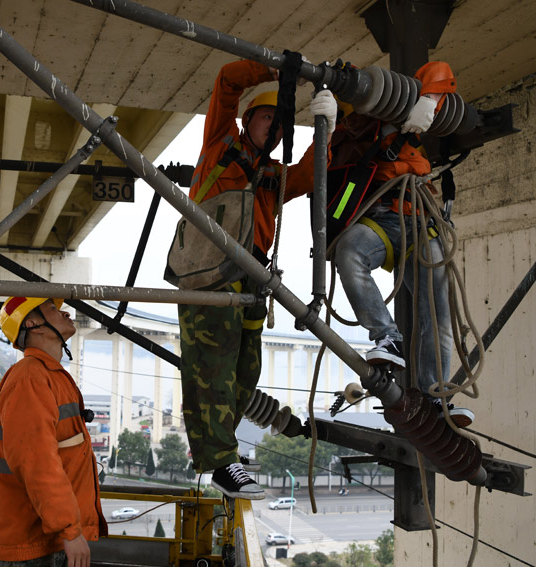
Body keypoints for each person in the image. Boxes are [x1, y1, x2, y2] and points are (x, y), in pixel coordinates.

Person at [178, 59, 337, 499]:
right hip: (209, 276)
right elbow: (227, 80)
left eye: (283, 122)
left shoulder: (273, 176)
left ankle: (223, 454)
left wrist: (328, 127)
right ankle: (220, 462)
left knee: (244, 371)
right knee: (210, 370)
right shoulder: (220, 145)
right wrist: (277, 72)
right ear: (248, 120)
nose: (277, 127)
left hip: (250, 279)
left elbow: (311, 173)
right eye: (270, 117)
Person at [331, 61, 474, 427]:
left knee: (438, 314)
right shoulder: (336, 142)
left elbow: (440, 69)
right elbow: (307, 178)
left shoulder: (395, 113)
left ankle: (435, 395)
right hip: (378, 219)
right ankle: (387, 337)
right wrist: (324, 130)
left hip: (419, 220)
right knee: (349, 252)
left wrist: (428, 99)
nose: (353, 122)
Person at [0, 297, 106, 567]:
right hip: (30, 544)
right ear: (33, 324)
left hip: (46, 538)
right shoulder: (29, 378)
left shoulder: (48, 374)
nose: (63, 311)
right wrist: (71, 530)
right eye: (52, 308)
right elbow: (36, 463)